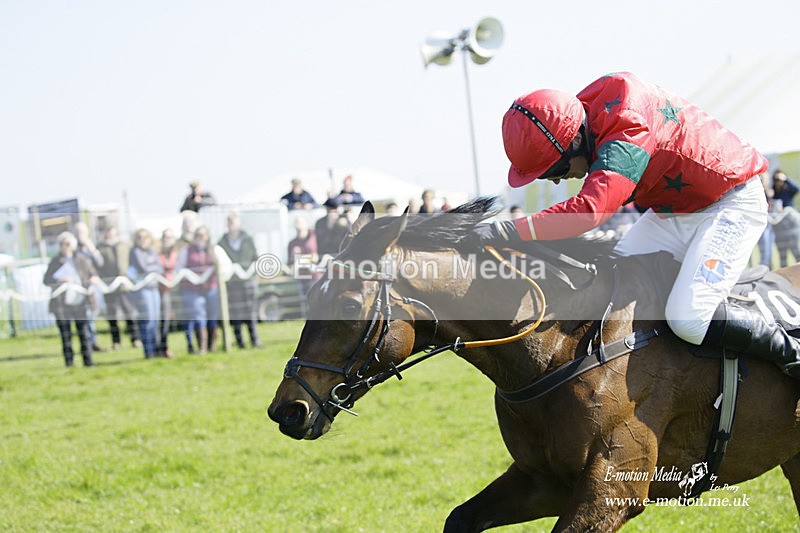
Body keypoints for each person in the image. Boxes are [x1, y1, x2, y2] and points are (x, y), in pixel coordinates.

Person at [473, 71, 799, 385]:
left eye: (552, 170)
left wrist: (507, 231)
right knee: (609, 286)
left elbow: (590, 211)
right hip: (676, 211)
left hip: (731, 203)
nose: (556, 179)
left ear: (573, 141)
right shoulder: (587, 114)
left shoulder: (627, 127)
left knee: (689, 318)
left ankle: (793, 353)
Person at [43, 232, 100, 367]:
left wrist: (93, 279)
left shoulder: (81, 259)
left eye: (68, 244)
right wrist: (59, 280)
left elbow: (93, 274)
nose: (65, 247)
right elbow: (46, 280)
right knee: (66, 335)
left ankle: (88, 362)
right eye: (62, 244)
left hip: (80, 300)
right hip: (62, 303)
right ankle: (69, 363)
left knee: (84, 332)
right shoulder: (55, 261)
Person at [217, 213, 261, 349]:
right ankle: (239, 341)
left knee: (250, 311)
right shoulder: (222, 242)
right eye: (229, 222)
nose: (232, 225)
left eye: (234, 222)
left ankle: (254, 340)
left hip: (248, 280)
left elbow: (256, 258)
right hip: (232, 282)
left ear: (239, 223)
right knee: (236, 312)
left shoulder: (248, 239)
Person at [176, 225, 220, 354]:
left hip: (211, 287)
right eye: (198, 235)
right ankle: (202, 346)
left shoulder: (214, 249)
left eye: (203, 235)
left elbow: (223, 265)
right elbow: (179, 268)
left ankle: (212, 344)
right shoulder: (186, 251)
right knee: (198, 315)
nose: (200, 238)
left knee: (213, 315)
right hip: (192, 288)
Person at [96, 226, 141, 350]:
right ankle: (116, 341)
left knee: (129, 312)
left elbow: (132, 261)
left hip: (124, 285)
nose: (109, 233)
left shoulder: (124, 244)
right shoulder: (100, 247)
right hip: (109, 286)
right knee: (112, 315)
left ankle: (135, 338)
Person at [128, 229, 163, 359]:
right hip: (143, 289)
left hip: (154, 287)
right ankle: (148, 351)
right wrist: (152, 267)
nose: (143, 239)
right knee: (148, 320)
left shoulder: (152, 250)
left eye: (145, 237)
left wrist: (152, 268)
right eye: (140, 237)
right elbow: (143, 267)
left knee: (155, 319)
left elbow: (159, 267)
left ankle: (155, 349)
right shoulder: (135, 251)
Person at [74, 221, 106, 352]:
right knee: (86, 314)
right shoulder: (74, 249)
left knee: (95, 311)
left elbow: (100, 263)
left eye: (82, 232)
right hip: (82, 287)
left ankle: (92, 340)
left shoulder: (91, 247)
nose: (80, 235)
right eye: (78, 232)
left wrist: (92, 249)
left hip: (95, 285)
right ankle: (91, 342)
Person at [157, 228, 178, 358]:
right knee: (163, 320)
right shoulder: (158, 254)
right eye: (165, 237)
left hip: (178, 289)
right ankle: (162, 347)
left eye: (169, 237)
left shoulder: (178, 253)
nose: (167, 240)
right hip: (162, 290)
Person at [287, 216, 319, 295]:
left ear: (306, 224)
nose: (298, 225)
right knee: (305, 304)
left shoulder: (315, 237)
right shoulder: (292, 244)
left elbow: (316, 257)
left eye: (300, 222)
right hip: (301, 280)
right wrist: (293, 256)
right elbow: (290, 264)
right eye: (296, 222)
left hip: (316, 278)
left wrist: (301, 258)